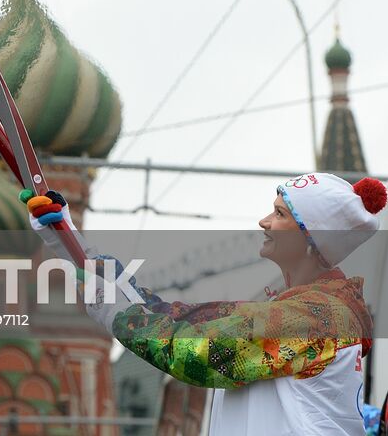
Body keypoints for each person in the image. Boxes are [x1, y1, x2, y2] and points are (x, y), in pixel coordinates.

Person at [26, 173, 386, 435]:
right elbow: (183, 318)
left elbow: (196, 350)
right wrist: (68, 240)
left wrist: (114, 313)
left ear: (312, 240)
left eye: (279, 214)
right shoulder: (299, 311)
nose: (263, 222)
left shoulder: (316, 319)